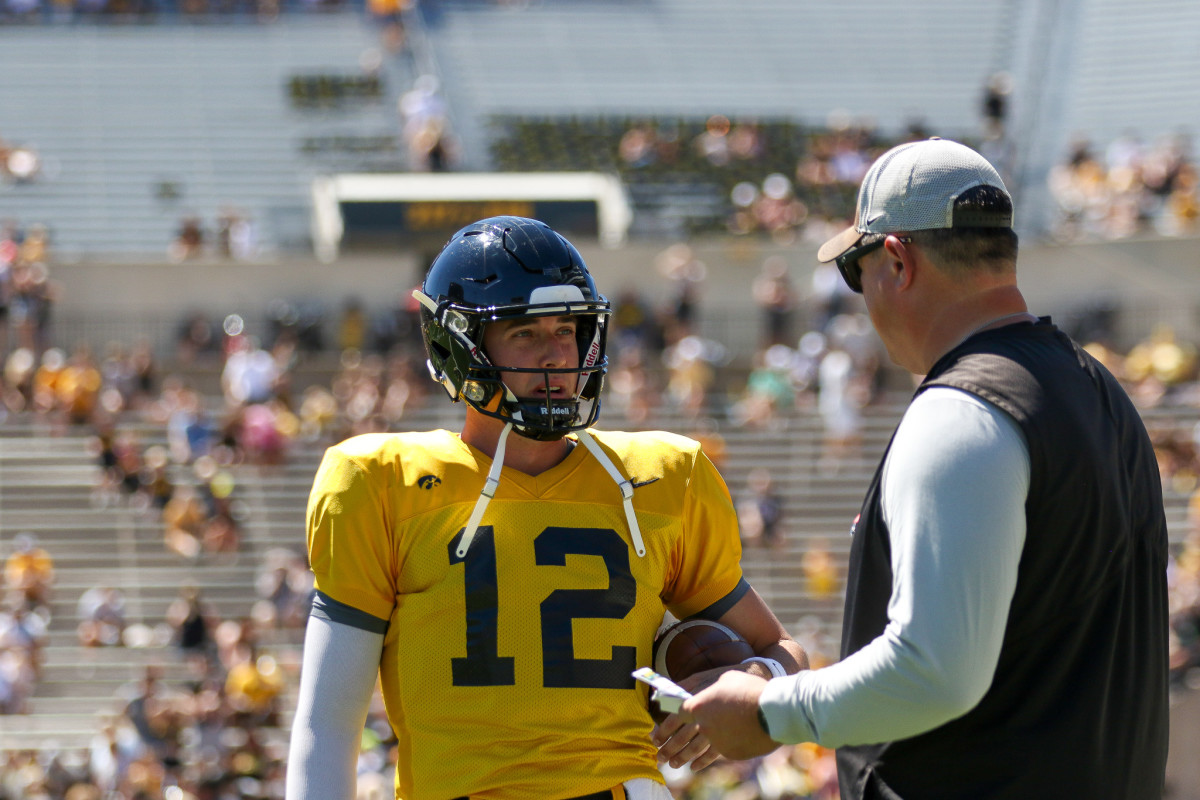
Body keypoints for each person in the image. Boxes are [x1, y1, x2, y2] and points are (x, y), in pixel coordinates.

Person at [681, 139, 1169, 799]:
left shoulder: (962, 411)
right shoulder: (1102, 389)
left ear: (897, 261)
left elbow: (933, 671)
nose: (863, 299)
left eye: (857, 273)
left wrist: (769, 713)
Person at [286, 216, 807, 800]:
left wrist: (755, 679)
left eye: (567, 330)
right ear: (458, 346)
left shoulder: (663, 478)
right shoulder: (381, 482)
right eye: (524, 335)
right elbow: (328, 723)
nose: (557, 356)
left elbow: (783, 652)